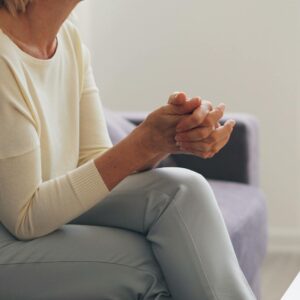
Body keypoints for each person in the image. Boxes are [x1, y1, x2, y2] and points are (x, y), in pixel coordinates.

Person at [0, 0, 256, 299]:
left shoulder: (67, 39)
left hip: (41, 217)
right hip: (10, 234)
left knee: (184, 189)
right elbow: (26, 216)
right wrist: (142, 142)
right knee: (147, 266)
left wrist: (163, 139)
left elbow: (95, 164)